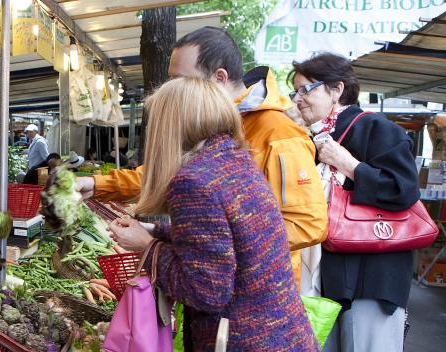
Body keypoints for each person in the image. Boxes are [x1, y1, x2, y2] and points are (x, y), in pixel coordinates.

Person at [107, 77, 320, 352]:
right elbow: (225, 236)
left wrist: (148, 246)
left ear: (172, 124)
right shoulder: (233, 161)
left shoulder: (193, 180)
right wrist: (159, 229)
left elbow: (206, 289)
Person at [77, 27, 327, 285]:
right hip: (217, 283)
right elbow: (166, 173)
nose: (172, 90)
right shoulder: (206, 126)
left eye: (182, 80)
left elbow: (308, 224)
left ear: (219, 78)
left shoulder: (278, 133)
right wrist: (97, 184)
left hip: (259, 289)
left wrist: (205, 242)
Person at [291, 53, 418, 352]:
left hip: (374, 277)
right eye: (298, 90)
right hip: (335, 278)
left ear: (336, 90)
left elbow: (404, 191)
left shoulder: (374, 128)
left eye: (306, 89)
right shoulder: (314, 138)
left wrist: (350, 165)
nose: (299, 98)